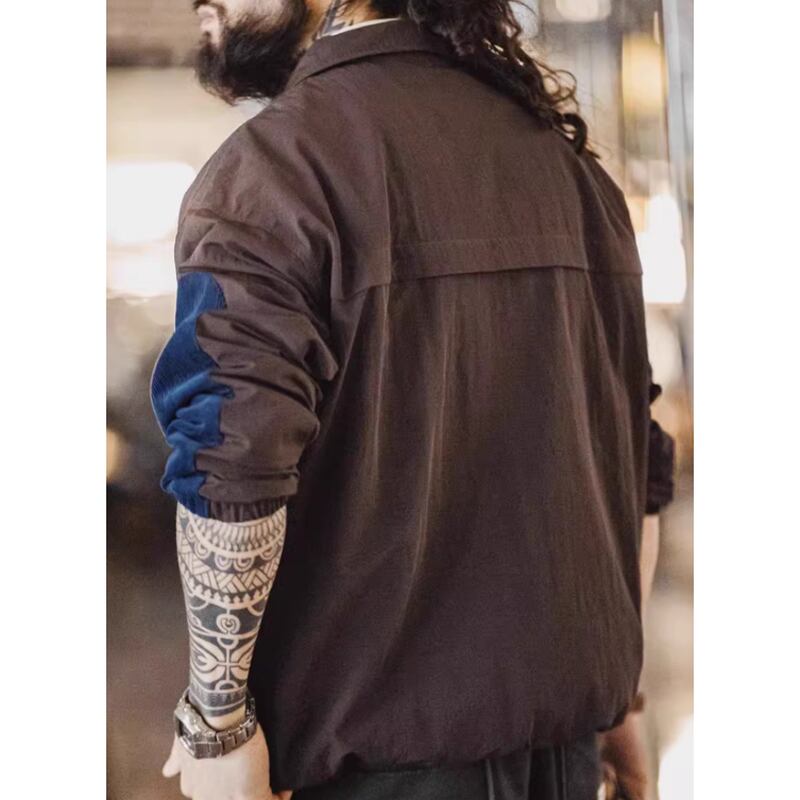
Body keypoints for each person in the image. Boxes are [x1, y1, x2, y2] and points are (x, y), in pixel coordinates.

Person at [150, 1, 676, 799]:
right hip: (567, 758)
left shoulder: (274, 173)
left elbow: (234, 465)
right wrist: (620, 699)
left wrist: (216, 725)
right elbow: (635, 462)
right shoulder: (572, 170)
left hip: (376, 777)